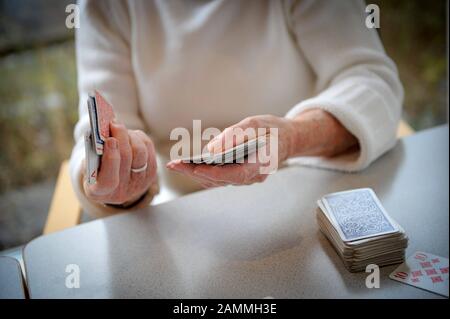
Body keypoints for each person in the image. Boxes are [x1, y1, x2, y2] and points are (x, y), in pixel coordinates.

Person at [70, 0, 403, 217]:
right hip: (179, 214)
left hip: (312, 197)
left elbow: (373, 82)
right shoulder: (103, 6)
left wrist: (291, 137)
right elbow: (101, 132)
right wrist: (120, 183)